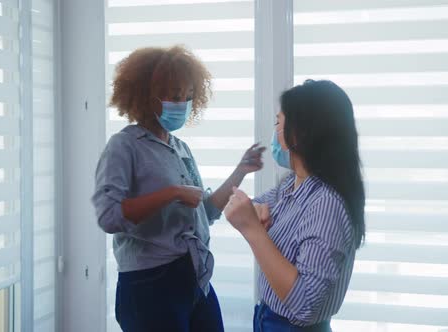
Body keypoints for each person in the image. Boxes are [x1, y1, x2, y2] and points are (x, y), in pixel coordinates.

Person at [92, 45, 265, 332]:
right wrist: (171, 193)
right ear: (147, 96)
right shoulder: (124, 146)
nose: (181, 103)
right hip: (150, 283)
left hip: (193, 276)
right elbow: (109, 217)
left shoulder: (179, 148)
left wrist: (241, 170)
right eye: (174, 96)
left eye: (187, 96)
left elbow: (205, 211)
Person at [224, 79, 366, 331]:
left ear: (299, 134)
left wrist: (254, 231)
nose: (274, 132)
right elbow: (253, 207)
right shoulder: (294, 184)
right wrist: (253, 214)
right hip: (268, 318)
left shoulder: (326, 205)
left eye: (278, 123)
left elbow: (305, 305)